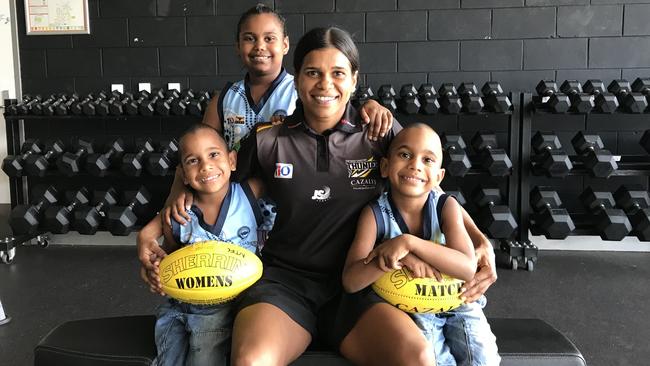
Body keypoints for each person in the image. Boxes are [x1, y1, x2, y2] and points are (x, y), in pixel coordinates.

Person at [226, 27, 496, 366]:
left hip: (367, 281)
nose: (325, 84)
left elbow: (431, 188)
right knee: (251, 362)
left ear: (354, 80)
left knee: (417, 358)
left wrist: (479, 239)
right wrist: (153, 229)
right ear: (297, 80)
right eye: (313, 73)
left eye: (338, 73)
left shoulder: (379, 131)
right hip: (287, 284)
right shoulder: (268, 140)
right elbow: (211, 183)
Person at [156, 4, 393, 231]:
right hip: (237, 212)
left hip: (289, 212)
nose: (260, 46)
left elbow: (337, 105)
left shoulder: (304, 91)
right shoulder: (224, 99)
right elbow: (198, 153)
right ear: (237, 46)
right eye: (250, 38)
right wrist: (179, 188)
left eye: (269, 38)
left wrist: (369, 105)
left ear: (285, 44)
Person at [342, 123, 501, 365]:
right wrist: (389, 259)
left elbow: (467, 267)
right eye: (405, 155)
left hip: (459, 301)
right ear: (385, 166)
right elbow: (351, 281)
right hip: (410, 307)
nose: (415, 165)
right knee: (434, 361)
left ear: (439, 176)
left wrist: (409, 243)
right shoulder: (374, 215)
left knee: (484, 359)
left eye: (428, 160)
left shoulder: (446, 207)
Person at [139, 124, 264, 366]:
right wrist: (157, 269)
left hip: (224, 308)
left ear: (232, 160)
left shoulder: (250, 194)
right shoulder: (179, 214)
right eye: (192, 160)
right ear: (183, 175)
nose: (205, 166)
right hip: (178, 305)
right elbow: (169, 254)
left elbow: (289, 181)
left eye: (214, 154)